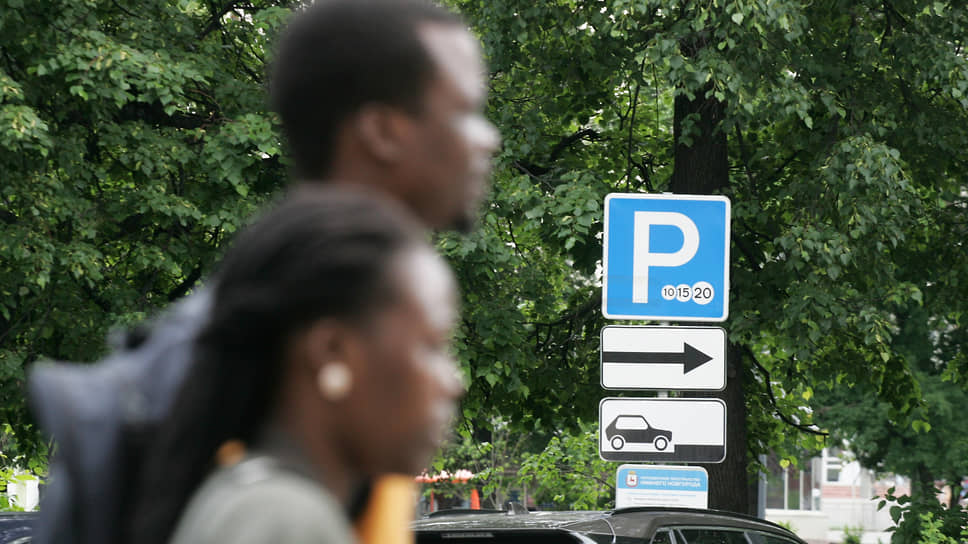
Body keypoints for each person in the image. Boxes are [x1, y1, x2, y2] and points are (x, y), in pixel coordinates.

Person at [26, 1, 499, 543]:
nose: (488, 139)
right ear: (382, 130)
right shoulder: (235, 348)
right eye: (465, 111)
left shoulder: (374, 354)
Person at [128, 186, 464, 544]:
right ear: (332, 351)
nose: (454, 382)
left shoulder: (252, 499)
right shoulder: (286, 521)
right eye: (432, 346)